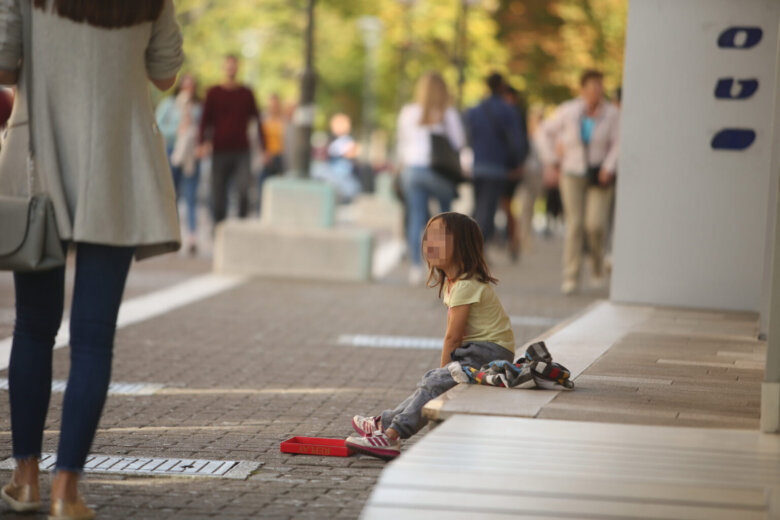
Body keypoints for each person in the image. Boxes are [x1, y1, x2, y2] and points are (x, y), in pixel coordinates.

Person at [0, 0, 183, 518]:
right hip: (117, 167)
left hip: (41, 164)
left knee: (34, 326)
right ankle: (66, 490)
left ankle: (26, 477)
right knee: (94, 336)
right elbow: (166, 74)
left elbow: (3, 64)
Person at [345, 212, 515, 459]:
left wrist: (443, 371)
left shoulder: (466, 285)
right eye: (428, 238)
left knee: (434, 381)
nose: (429, 244)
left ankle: (391, 436)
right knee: (432, 379)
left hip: (490, 352)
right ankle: (385, 423)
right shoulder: (454, 283)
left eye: (439, 238)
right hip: (481, 350)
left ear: (462, 245)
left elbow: (453, 338)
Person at [537, 69, 620, 295]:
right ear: (583, 89)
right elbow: (543, 131)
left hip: (599, 176)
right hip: (572, 172)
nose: (598, 91)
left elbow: (617, 142)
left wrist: (608, 167)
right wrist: (552, 159)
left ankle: (596, 266)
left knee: (595, 225)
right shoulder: (568, 110)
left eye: (600, 86)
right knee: (575, 224)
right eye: (593, 86)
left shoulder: (612, 114)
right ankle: (571, 276)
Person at [396, 72, 466, 285]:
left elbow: (402, 144)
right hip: (437, 173)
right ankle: (448, 265)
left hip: (412, 172)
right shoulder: (447, 114)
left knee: (417, 218)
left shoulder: (408, 112)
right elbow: (459, 143)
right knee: (446, 218)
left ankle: (416, 268)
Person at [198, 54, 265, 224]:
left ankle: (241, 225)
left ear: (237, 68)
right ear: (223, 67)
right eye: (228, 65)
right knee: (218, 193)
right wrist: (202, 143)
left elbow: (257, 120)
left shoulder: (246, 93)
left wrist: (264, 147)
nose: (231, 68)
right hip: (220, 149)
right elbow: (205, 121)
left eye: (234, 65)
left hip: (242, 150)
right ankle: (219, 226)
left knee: (243, 190)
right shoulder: (213, 93)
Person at [465, 72, 527, 245]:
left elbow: (467, 137)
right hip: (497, 167)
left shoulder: (475, 110)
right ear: (502, 86)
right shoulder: (508, 110)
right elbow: (517, 141)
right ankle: (475, 248)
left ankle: (472, 245)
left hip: (478, 165)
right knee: (488, 211)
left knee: (479, 208)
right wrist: (516, 163)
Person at [156, 73, 202, 254]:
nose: (188, 90)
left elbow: (205, 128)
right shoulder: (169, 105)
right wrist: (177, 131)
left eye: (191, 86)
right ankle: (171, 234)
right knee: (171, 194)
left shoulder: (199, 107)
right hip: (172, 151)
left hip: (192, 154)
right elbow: (158, 126)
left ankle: (191, 235)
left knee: (191, 196)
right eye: (185, 86)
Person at [498, 85, 530, 261]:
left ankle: (513, 240)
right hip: (506, 167)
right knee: (506, 206)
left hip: (511, 168)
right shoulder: (512, 116)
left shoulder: (515, 116)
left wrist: (518, 164)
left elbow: (521, 144)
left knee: (508, 205)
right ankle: (512, 240)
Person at [517, 105, 546, 253]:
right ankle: (522, 236)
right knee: (525, 205)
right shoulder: (524, 134)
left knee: (529, 206)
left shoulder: (541, 134)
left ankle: (525, 235)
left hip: (535, 173)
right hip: (526, 173)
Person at [257, 93, 286, 214]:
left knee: (280, 188)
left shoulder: (283, 120)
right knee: (263, 187)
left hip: (279, 156)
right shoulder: (263, 120)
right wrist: (263, 153)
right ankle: (261, 212)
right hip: (266, 156)